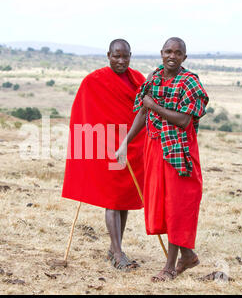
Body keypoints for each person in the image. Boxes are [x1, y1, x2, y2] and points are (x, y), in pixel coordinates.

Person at [116, 37, 209, 281]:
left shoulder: (190, 83)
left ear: (184, 58)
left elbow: (183, 120)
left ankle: (169, 267)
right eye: (168, 51)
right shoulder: (154, 79)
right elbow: (142, 112)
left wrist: (153, 106)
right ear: (161, 53)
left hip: (179, 152)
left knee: (177, 206)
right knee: (164, 205)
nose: (172, 56)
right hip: (155, 148)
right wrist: (124, 144)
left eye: (178, 53)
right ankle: (187, 256)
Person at [62, 39, 146, 271]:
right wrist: (93, 145)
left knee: (124, 200)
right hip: (105, 148)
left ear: (130, 56)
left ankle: (114, 247)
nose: (121, 61)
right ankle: (117, 253)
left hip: (130, 146)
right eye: (116, 56)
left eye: (125, 56)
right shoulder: (94, 81)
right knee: (112, 199)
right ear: (108, 55)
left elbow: (143, 113)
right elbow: (84, 115)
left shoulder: (139, 79)